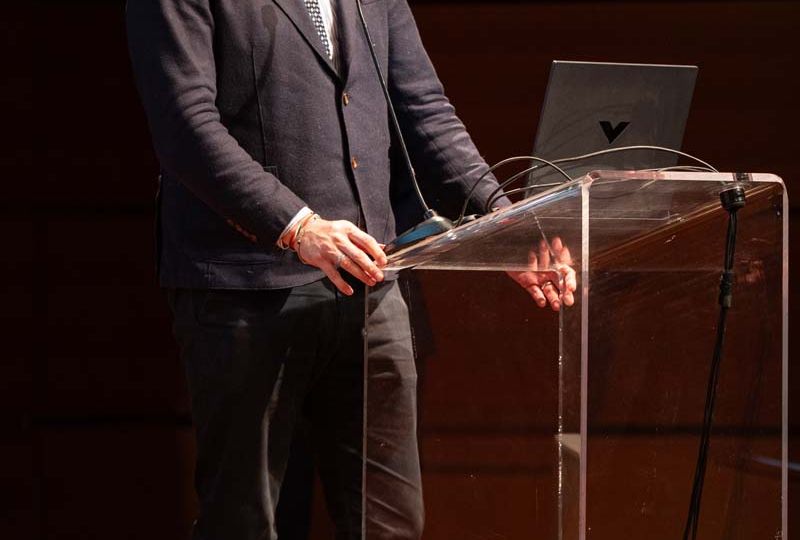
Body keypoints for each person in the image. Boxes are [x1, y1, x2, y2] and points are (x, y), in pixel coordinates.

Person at [126, 0, 575, 538]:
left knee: (391, 525)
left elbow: (424, 111)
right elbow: (185, 126)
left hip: (370, 282)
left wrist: (503, 223)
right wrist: (296, 226)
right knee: (243, 522)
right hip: (244, 289)